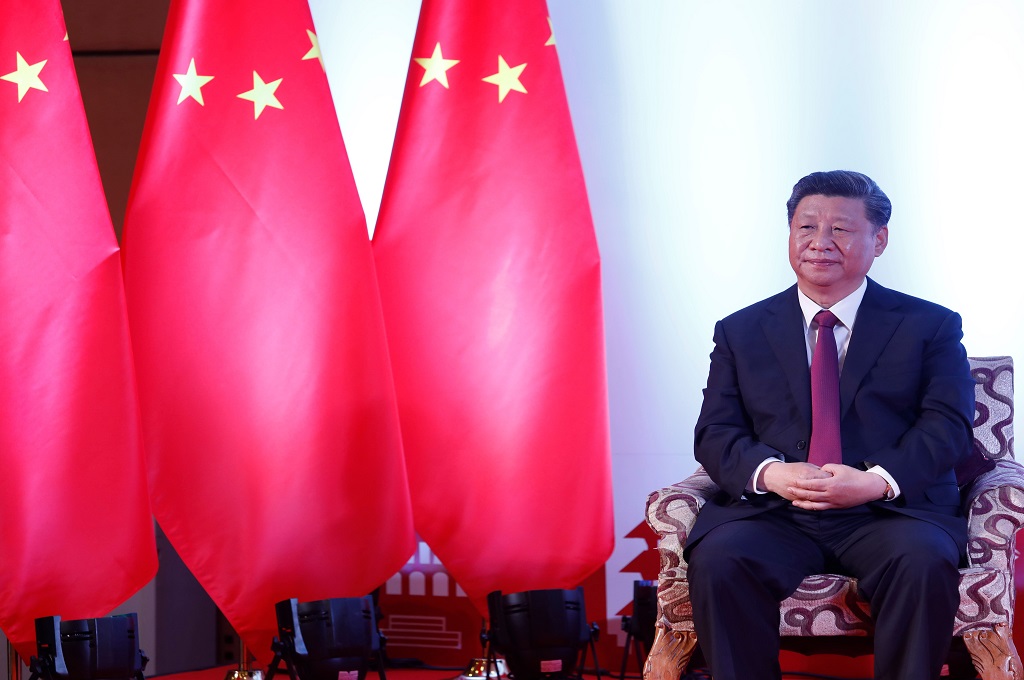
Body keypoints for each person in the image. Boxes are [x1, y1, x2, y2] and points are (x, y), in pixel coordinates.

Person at [685, 170, 975, 680]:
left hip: (889, 515)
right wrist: (770, 473)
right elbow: (715, 432)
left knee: (923, 561)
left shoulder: (931, 325)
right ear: (790, 235)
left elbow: (947, 427)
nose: (820, 243)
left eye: (840, 229)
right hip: (776, 512)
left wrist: (875, 481)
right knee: (721, 558)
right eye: (806, 227)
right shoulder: (740, 330)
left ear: (878, 239)